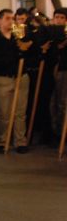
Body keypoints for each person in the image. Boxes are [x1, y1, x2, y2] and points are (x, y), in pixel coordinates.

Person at [0, 9, 34, 153]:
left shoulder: (18, 35)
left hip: (21, 77)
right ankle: (3, 140)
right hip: (4, 78)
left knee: (20, 112)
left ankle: (20, 141)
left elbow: (29, 52)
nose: (11, 21)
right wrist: (11, 62)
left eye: (12, 18)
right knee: (4, 112)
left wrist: (23, 46)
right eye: (7, 18)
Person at [50, 8, 67, 143]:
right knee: (54, 103)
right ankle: (57, 132)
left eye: (62, 17)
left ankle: (63, 134)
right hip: (54, 72)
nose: (59, 20)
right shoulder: (51, 32)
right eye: (57, 17)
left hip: (64, 72)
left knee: (62, 103)